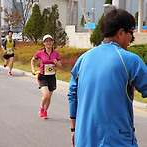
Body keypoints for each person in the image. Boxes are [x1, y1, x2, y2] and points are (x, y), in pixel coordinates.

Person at [67, 9, 147, 147]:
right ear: (121, 33)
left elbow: (72, 95)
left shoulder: (83, 59)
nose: (131, 40)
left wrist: (74, 129)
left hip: (83, 139)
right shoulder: (129, 60)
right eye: (131, 33)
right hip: (116, 140)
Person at [31, 35, 61, 119]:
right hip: (43, 76)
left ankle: (45, 111)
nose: (48, 43)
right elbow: (33, 60)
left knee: (49, 96)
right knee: (46, 95)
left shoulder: (56, 53)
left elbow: (60, 65)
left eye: (50, 41)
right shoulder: (40, 52)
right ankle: (41, 108)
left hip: (52, 77)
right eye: (46, 41)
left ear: (52, 42)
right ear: (44, 43)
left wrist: (56, 63)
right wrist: (33, 70)